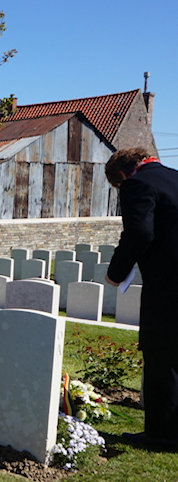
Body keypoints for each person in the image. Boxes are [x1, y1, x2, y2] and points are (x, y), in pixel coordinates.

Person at [104, 148, 178, 448]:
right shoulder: (174, 178)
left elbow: (139, 232)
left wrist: (116, 273)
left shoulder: (138, 183)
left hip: (168, 284)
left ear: (122, 175)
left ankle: (162, 434)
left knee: (162, 357)